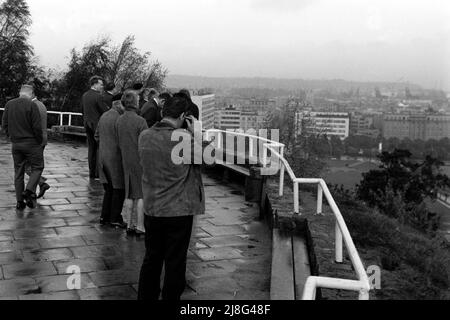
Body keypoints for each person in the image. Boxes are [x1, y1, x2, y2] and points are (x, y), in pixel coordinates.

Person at [137, 96, 207, 300]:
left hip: (152, 208)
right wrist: (195, 133)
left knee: (152, 259)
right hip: (178, 210)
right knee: (175, 262)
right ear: (184, 116)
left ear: (162, 113)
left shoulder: (145, 135)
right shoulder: (183, 140)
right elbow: (208, 157)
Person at [1, 84, 44, 210]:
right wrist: (39, 141)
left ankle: (20, 202)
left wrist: (11, 137)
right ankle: (29, 190)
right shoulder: (32, 105)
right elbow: (37, 127)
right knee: (38, 167)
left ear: (20, 92)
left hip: (16, 144)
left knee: (18, 172)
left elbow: (4, 124)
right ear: (31, 94)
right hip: (31, 143)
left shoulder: (9, 104)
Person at [116, 90, 148, 235]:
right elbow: (146, 143)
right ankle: (140, 226)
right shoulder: (140, 121)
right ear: (135, 102)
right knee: (140, 194)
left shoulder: (119, 120)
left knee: (129, 193)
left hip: (125, 159)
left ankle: (129, 224)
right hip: (139, 160)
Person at [95, 93, 127, 228]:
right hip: (115, 158)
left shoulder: (104, 115)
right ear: (118, 104)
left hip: (102, 157)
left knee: (108, 190)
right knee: (118, 190)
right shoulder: (119, 118)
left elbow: (96, 136)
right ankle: (115, 218)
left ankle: (104, 216)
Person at [81, 76, 108, 179]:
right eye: (101, 84)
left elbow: (82, 109)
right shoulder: (98, 96)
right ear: (95, 84)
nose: (102, 86)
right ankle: (97, 173)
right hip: (97, 126)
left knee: (91, 149)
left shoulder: (85, 95)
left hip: (87, 123)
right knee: (98, 149)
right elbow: (104, 111)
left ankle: (92, 172)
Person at [27, 95, 50, 199]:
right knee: (35, 166)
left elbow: (34, 125)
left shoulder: (32, 105)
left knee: (27, 166)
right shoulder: (41, 104)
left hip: (36, 140)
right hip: (42, 139)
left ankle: (40, 184)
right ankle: (34, 190)